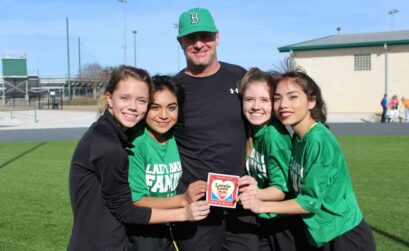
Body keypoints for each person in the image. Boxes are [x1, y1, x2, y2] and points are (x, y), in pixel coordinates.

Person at [68, 66, 209, 251]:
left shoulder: (109, 135)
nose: (133, 107)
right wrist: (183, 211)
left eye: (141, 100)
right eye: (124, 98)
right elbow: (127, 210)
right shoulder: (109, 146)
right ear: (109, 98)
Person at [239, 60, 376, 250]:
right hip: (320, 235)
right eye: (277, 98)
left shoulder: (319, 140)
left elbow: (309, 202)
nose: (284, 104)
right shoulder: (298, 139)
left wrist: (261, 205)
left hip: (345, 236)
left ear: (311, 101)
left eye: (293, 97)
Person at [173, 7, 258, 251]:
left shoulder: (239, 77)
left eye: (205, 36)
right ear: (181, 42)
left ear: (217, 37)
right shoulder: (174, 88)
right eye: (191, 38)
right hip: (198, 207)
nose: (199, 44)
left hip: (240, 204)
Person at [127, 75, 209, 250]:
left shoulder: (175, 138)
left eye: (171, 108)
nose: (164, 115)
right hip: (144, 234)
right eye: (155, 108)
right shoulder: (137, 143)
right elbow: (138, 201)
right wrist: (182, 200)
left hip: (172, 229)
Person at [237, 68, 311, 251]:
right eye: (249, 99)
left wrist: (254, 194)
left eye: (264, 100)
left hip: (283, 224)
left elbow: (281, 190)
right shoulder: (250, 131)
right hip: (263, 218)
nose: (256, 106)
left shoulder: (274, 136)